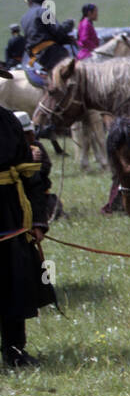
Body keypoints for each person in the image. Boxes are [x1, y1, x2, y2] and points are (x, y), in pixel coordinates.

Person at [1, 106, 55, 367]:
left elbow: (30, 173)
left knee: (13, 280)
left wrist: (37, 220)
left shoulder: (7, 120)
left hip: (10, 213)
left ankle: (14, 351)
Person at [20, 0, 75, 73]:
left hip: (37, 57)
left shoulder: (24, 18)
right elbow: (57, 32)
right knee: (72, 74)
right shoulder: (44, 11)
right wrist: (68, 25)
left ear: (30, 1)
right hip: (51, 53)